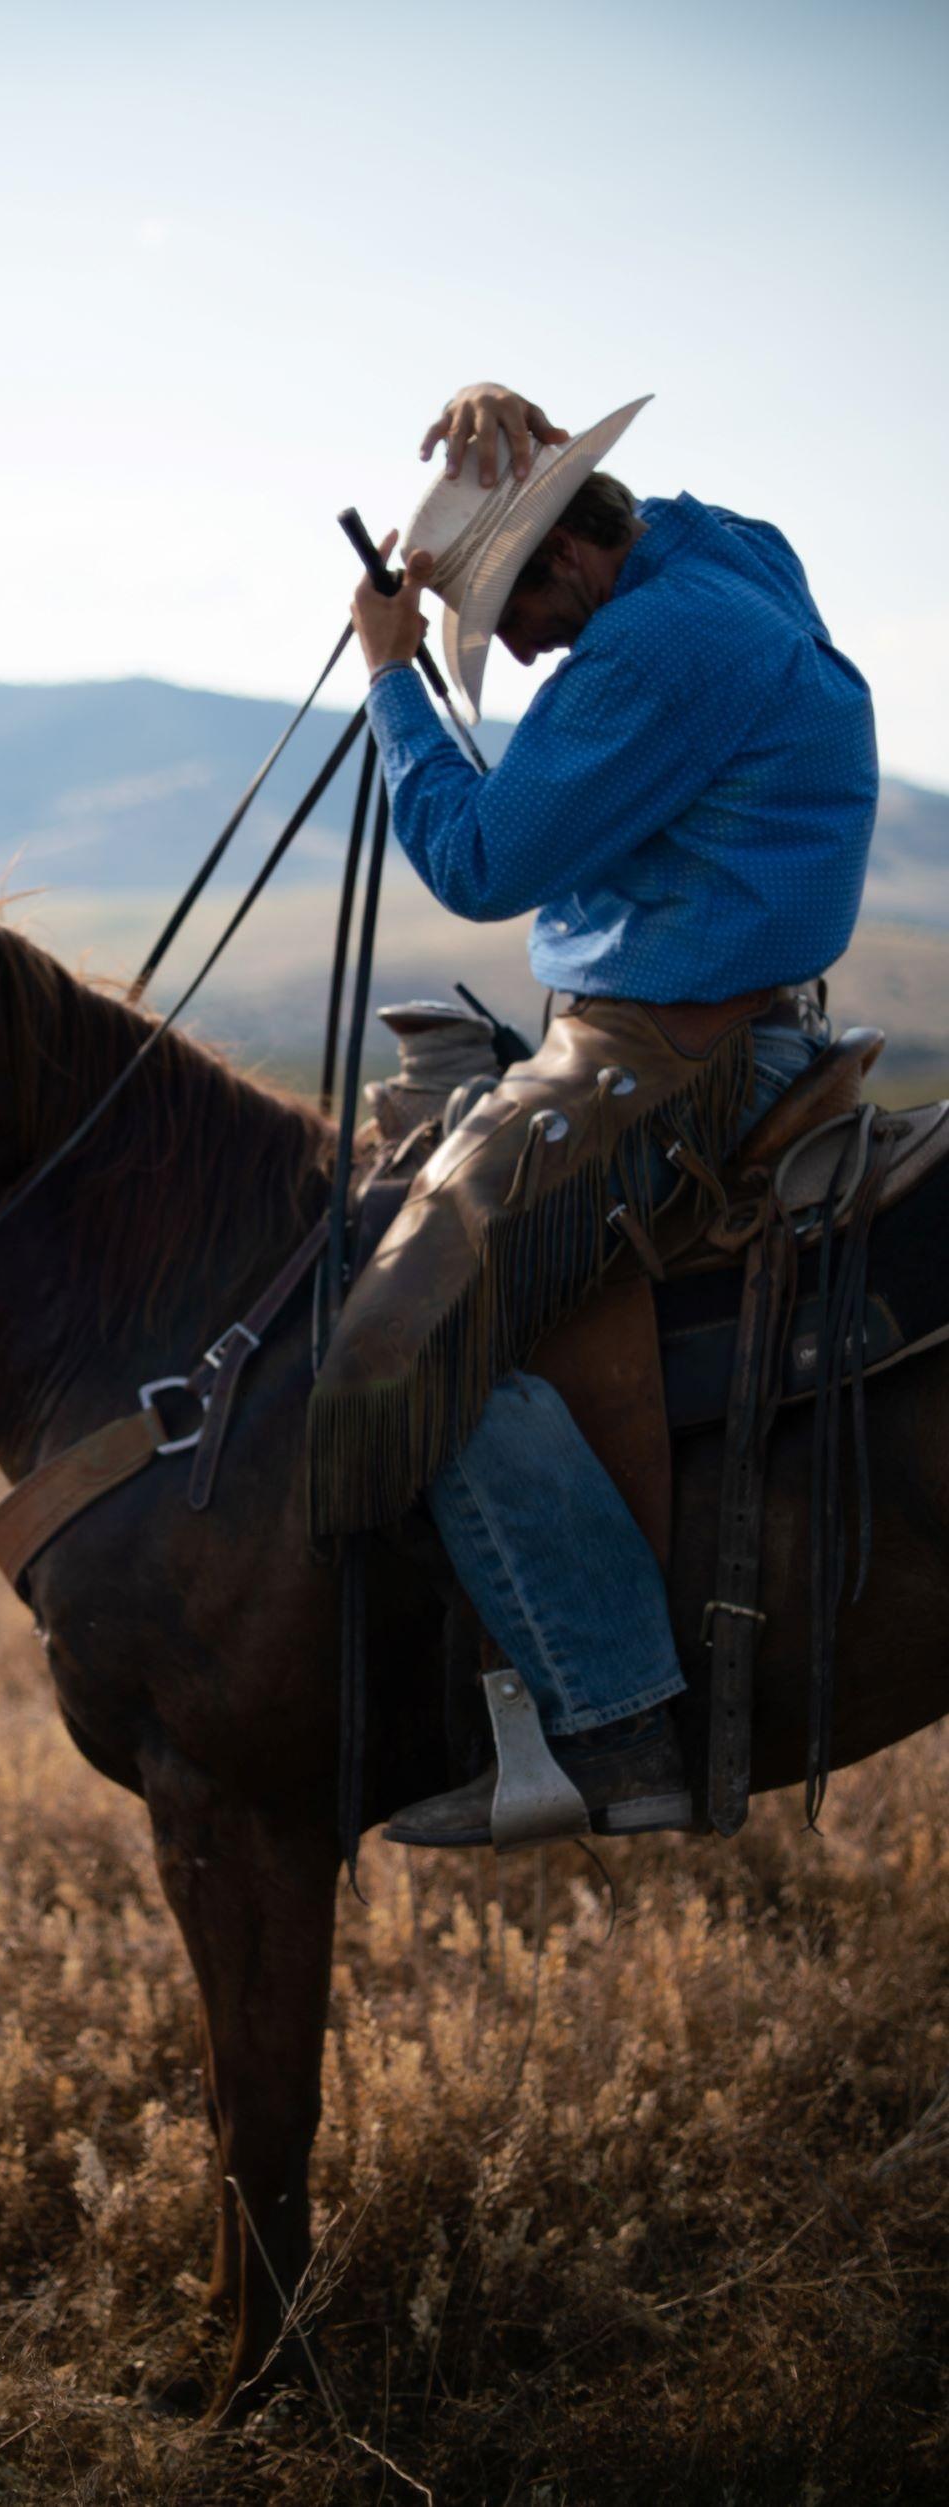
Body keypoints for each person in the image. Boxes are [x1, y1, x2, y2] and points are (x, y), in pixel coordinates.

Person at [312, 381, 879, 1848]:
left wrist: (389, 679)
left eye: (512, 614)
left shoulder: (643, 656)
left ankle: (616, 1719)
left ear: (567, 561)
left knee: (403, 1326)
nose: (512, 651)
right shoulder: (733, 561)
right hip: (742, 1020)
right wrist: (537, 448)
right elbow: (657, 514)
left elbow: (480, 858)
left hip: (668, 1061)